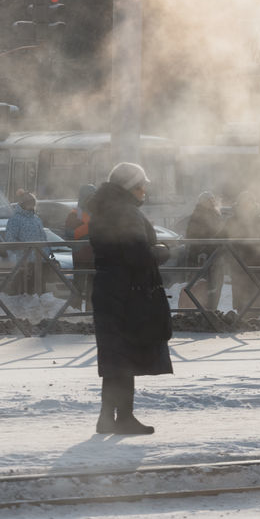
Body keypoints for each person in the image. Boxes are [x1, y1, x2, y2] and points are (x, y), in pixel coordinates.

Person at [88, 162, 173, 435]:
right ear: (130, 187)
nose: (145, 189)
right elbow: (139, 256)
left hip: (107, 287)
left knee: (113, 356)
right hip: (128, 291)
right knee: (126, 356)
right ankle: (123, 417)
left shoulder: (102, 210)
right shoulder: (126, 213)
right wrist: (161, 252)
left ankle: (106, 418)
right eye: (141, 185)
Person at [223, 190, 260, 313]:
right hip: (239, 265)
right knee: (242, 300)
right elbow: (222, 239)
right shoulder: (232, 221)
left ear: (253, 204)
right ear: (239, 205)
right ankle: (243, 321)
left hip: (259, 265)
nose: (246, 205)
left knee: (257, 299)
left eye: (249, 202)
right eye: (244, 203)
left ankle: (254, 324)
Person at [185, 191, 225, 311]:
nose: (212, 202)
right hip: (201, 257)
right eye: (209, 200)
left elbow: (220, 233)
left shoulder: (216, 214)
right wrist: (203, 248)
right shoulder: (197, 216)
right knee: (202, 286)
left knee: (215, 285)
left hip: (215, 255)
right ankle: (202, 311)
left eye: (212, 200)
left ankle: (211, 310)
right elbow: (192, 236)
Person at [5, 192, 48, 294]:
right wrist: (24, 248)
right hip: (25, 261)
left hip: (40, 260)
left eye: (33, 202)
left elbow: (43, 238)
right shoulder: (15, 219)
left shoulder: (36, 218)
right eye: (29, 202)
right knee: (26, 291)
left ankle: (38, 308)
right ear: (23, 203)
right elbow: (10, 239)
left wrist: (46, 252)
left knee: (40, 290)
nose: (32, 204)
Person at [64, 184, 97, 308]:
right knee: (78, 284)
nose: (91, 200)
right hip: (81, 255)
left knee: (93, 285)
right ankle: (75, 311)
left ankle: (90, 311)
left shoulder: (99, 214)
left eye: (94, 197)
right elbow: (68, 233)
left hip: (96, 255)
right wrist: (85, 229)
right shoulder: (75, 214)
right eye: (89, 197)